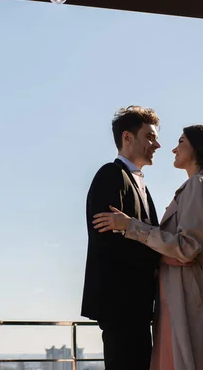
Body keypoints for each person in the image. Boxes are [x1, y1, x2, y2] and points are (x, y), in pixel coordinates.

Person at [93, 125, 203, 370]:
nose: (173, 148)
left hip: (185, 296)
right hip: (180, 293)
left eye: (181, 141)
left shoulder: (197, 185)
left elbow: (187, 247)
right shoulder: (197, 187)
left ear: (197, 147)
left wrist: (131, 226)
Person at [81, 106, 162, 370]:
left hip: (139, 305)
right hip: (121, 303)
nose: (157, 144)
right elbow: (109, 242)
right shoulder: (110, 175)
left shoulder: (142, 185)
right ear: (127, 138)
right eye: (150, 136)